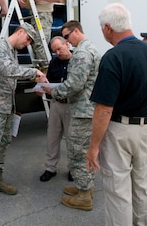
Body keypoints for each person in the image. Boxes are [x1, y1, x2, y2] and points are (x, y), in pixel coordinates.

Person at [0, 22, 48, 217]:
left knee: (3, 145)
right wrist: (35, 72)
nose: (27, 44)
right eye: (27, 40)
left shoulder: (12, 51)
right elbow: (8, 70)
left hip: (7, 107)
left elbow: (10, 77)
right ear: (20, 32)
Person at [86, 3, 147, 225]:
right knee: (142, 186)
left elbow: (104, 109)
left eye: (102, 28)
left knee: (118, 190)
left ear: (108, 28)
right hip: (145, 129)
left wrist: (94, 147)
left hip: (120, 131)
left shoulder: (113, 57)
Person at [42, 20, 101, 211]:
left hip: (82, 112)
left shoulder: (82, 52)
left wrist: (54, 93)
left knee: (78, 153)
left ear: (76, 32)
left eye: (67, 37)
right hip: (85, 110)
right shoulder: (90, 48)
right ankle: (85, 187)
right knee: (82, 152)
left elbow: (75, 84)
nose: (67, 42)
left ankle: (84, 196)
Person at [39, 36, 73, 182]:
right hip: (56, 103)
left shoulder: (77, 61)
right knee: (52, 137)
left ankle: (74, 168)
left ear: (67, 44)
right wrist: (42, 86)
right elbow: (49, 82)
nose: (58, 53)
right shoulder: (54, 62)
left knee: (72, 138)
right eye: (54, 51)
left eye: (59, 49)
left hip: (71, 105)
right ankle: (50, 168)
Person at [19, 0, 62, 72]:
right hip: (34, 16)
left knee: (40, 43)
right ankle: (40, 68)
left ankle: (46, 69)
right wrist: (23, 2)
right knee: (32, 42)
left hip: (43, 16)